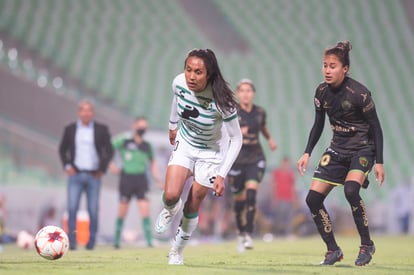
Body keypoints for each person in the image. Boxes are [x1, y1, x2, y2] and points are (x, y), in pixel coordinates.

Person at [297, 41, 385, 266]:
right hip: (337, 149)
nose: (327, 70)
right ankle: (332, 250)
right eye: (325, 65)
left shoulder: (360, 94)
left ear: (344, 69)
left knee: (351, 190)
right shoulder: (321, 92)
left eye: (333, 66)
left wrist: (379, 162)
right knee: (313, 199)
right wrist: (307, 152)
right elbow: (318, 125)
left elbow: (376, 127)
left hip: (362, 149)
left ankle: (366, 244)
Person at [153, 48, 243, 265]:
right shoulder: (178, 82)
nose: (191, 76)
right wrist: (172, 125)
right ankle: (170, 208)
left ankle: (176, 251)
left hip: (211, 154)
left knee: (192, 205)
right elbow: (177, 99)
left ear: (209, 74)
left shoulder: (223, 101)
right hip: (186, 144)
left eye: (198, 72)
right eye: (188, 70)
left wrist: (222, 174)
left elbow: (237, 139)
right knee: (171, 195)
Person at [227, 78, 277, 252]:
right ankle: (241, 233)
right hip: (236, 159)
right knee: (239, 200)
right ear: (238, 93)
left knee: (251, 194)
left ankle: (249, 234)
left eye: (249, 90)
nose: (245, 93)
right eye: (242, 90)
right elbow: (223, 131)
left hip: (256, 158)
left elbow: (263, 127)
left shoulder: (260, 112)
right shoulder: (231, 112)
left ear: (253, 93)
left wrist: (269, 139)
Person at [59, 99, 113, 250]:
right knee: (72, 208)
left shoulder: (101, 129)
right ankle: (72, 241)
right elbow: (62, 149)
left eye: (89, 110)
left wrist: (102, 169)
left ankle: (91, 241)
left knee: (93, 210)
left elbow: (109, 150)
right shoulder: (70, 129)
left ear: (93, 112)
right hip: (75, 174)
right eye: (83, 110)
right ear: (79, 112)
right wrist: (67, 165)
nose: (86, 113)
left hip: (93, 175)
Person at [110, 116, 163, 248]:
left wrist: (158, 179)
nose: (143, 128)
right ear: (134, 126)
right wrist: (111, 165)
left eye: (145, 126)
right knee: (122, 210)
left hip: (141, 180)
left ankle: (149, 241)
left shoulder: (147, 146)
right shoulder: (124, 141)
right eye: (141, 125)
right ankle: (116, 241)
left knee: (145, 210)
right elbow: (108, 148)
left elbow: (153, 163)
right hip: (126, 178)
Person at [271, 156, 296, 237]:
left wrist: (294, 198)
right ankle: (277, 233)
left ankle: (287, 233)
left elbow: (293, 187)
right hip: (279, 198)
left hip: (289, 198)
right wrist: (274, 198)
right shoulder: (277, 173)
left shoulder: (291, 174)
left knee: (288, 217)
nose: (286, 165)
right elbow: (274, 185)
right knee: (278, 217)